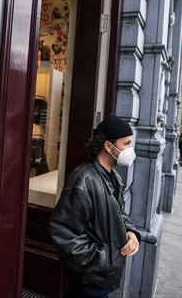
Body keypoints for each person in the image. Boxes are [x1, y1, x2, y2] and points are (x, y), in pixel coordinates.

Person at [49, 115, 141, 298]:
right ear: (108, 146)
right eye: (126, 143)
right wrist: (101, 259)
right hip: (90, 276)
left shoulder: (114, 177)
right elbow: (62, 232)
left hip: (100, 277)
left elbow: (118, 213)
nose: (130, 150)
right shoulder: (84, 179)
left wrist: (131, 232)